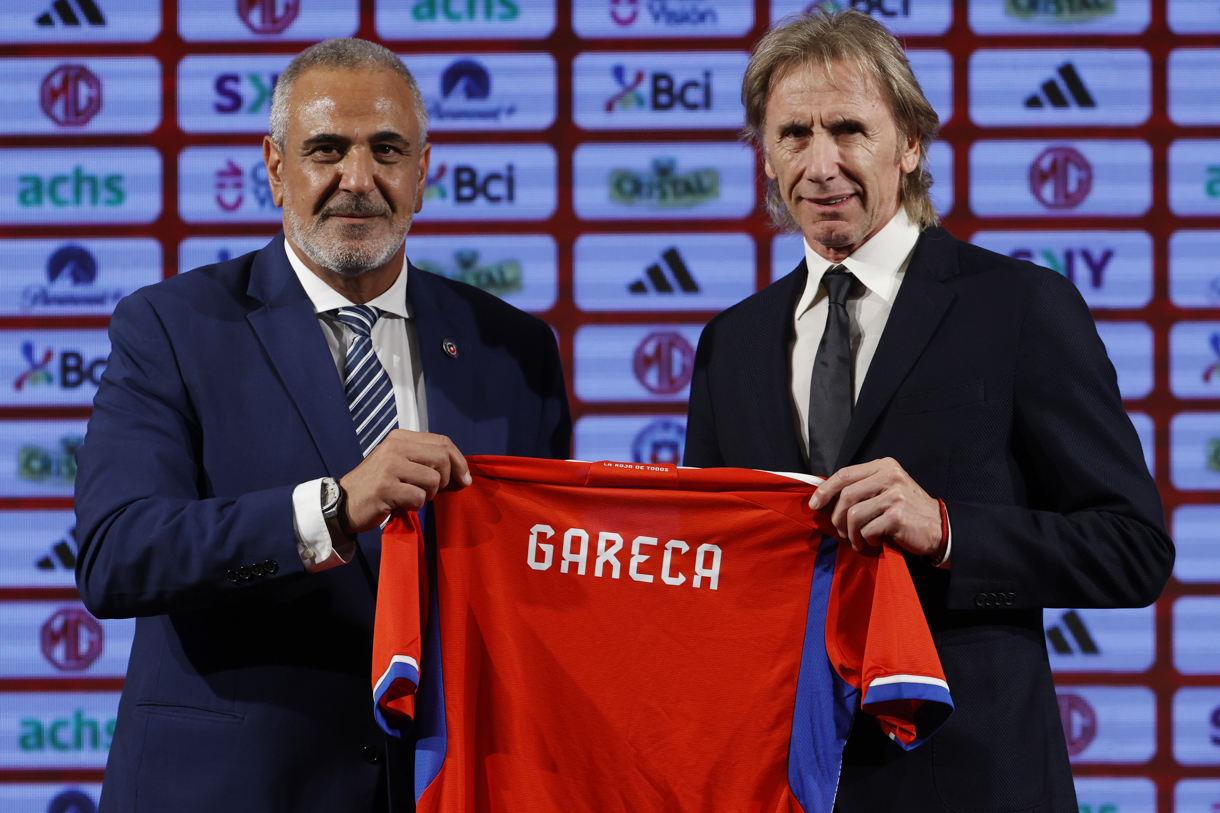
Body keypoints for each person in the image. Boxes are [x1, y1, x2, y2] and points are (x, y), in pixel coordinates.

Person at [683, 11, 1172, 812]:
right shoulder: (729, 343)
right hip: (782, 780)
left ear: (910, 143)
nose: (821, 163)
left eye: (849, 129)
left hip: (973, 779)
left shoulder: (1018, 306)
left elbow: (1131, 548)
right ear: (764, 156)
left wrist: (947, 528)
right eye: (793, 135)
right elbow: (710, 574)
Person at [74, 38, 570, 813]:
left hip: (446, 788)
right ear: (275, 167)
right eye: (327, 150)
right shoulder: (171, 326)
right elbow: (119, 554)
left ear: (423, 170)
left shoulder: (515, 350)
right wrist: (330, 509)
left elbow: (540, 590)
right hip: (232, 789)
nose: (358, 180)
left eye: (387, 150)